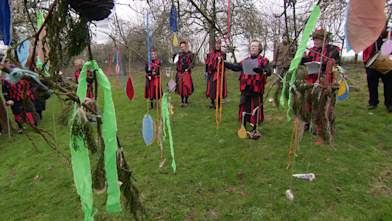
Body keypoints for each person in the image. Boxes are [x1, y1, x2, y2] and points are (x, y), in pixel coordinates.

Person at [224, 40, 272, 139]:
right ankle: (243, 127)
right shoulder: (245, 60)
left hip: (256, 90)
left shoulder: (264, 61)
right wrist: (224, 63)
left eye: (255, 46)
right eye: (251, 46)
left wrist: (262, 71)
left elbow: (269, 71)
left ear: (259, 49)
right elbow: (236, 67)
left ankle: (254, 129)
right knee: (244, 107)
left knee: (255, 109)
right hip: (245, 89)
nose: (253, 48)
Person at [301, 28, 341, 143]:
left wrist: (325, 64)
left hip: (327, 81)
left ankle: (324, 128)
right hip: (313, 80)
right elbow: (309, 62)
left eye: (317, 39)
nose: (315, 42)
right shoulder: (312, 50)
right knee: (309, 102)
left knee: (324, 105)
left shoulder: (333, 50)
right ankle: (309, 123)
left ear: (324, 40)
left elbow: (335, 64)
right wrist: (304, 59)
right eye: (314, 39)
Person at [1, 60, 36, 133]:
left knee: (28, 110)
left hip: (24, 95)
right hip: (14, 99)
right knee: (17, 112)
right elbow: (5, 91)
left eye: (7, 62)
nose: (6, 64)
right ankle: (21, 127)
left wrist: (29, 92)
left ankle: (33, 124)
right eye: (5, 62)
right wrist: (8, 100)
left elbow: (27, 81)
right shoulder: (4, 78)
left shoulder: (16, 69)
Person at [363, 28, 392, 112]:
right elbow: (365, 50)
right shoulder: (370, 36)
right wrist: (366, 63)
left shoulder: (390, 35)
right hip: (372, 65)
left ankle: (389, 104)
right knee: (372, 85)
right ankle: (373, 103)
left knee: (389, 85)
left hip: (388, 64)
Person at [205, 39, 227, 109]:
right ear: (214, 45)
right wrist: (206, 72)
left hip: (220, 73)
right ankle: (212, 102)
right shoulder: (210, 54)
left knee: (219, 88)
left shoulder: (223, 54)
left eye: (219, 44)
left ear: (220, 45)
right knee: (212, 88)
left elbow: (224, 63)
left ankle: (218, 103)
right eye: (216, 44)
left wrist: (221, 59)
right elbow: (207, 64)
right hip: (212, 73)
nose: (218, 45)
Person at [175, 40, 194, 107]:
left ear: (186, 46)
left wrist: (189, 67)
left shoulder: (190, 54)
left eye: (183, 46)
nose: (182, 48)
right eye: (181, 47)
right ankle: (182, 101)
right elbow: (175, 62)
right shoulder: (179, 54)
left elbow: (193, 64)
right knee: (181, 87)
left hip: (186, 73)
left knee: (186, 87)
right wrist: (175, 56)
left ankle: (186, 101)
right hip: (180, 73)